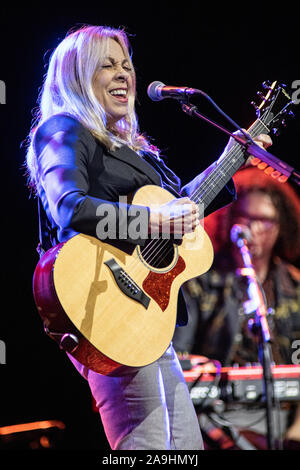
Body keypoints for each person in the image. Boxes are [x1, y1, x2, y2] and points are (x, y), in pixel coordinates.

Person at [25, 25, 271, 450]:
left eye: (126, 64)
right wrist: (154, 221)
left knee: (184, 448)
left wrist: (232, 161)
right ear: (78, 77)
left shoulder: (134, 150)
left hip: (146, 316)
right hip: (103, 304)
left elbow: (182, 209)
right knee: (147, 448)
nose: (124, 74)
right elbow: (69, 208)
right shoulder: (64, 129)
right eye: (106, 65)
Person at [173, 165, 300, 447]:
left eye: (264, 220)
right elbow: (176, 358)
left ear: (281, 226)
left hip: (286, 421)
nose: (253, 229)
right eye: (244, 218)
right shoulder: (198, 283)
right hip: (214, 421)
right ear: (228, 220)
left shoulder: (296, 286)